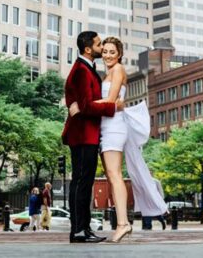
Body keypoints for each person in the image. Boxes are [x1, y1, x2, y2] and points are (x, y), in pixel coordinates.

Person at [68, 36, 167, 243]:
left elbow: (111, 101)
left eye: (112, 52)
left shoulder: (118, 69)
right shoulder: (105, 73)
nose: (108, 55)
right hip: (104, 127)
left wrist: (83, 105)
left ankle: (123, 223)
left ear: (119, 54)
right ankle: (122, 222)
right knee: (112, 176)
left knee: (115, 175)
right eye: (104, 51)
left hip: (114, 126)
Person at [62, 31, 122, 244]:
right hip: (82, 134)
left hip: (88, 134)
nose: (101, 47)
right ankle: (79, 231)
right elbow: (86, 105)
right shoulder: (81, 70)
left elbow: (83, 104)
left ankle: (83, 229)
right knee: (80, 183)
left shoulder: (86, 69)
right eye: (98, 44)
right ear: (88, 49)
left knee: (84, 183)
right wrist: (113, 107)